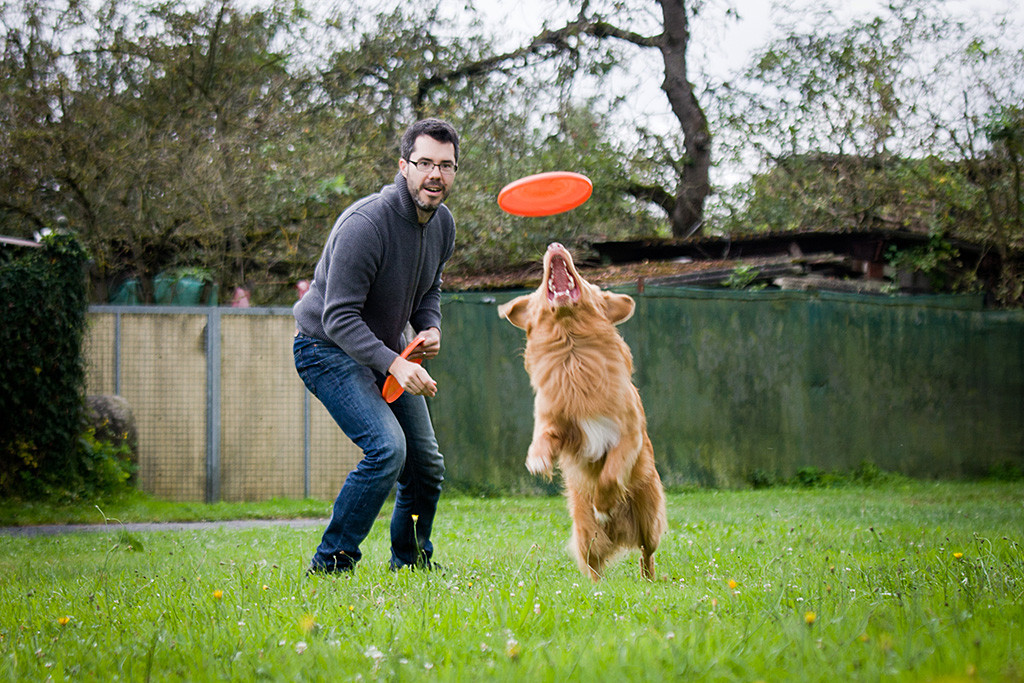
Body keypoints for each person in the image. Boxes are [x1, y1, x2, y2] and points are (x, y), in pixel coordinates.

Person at [293, 118, 460, 574]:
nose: (435, 175)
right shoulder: (366, 224)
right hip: (324, 349)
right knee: (387, 450)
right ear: (403, 166)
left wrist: (429, 327)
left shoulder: (442, 225)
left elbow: (430, 288)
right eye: (425, 163)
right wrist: (393, 364)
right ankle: (331, 563)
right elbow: (338, 316)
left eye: (445, 166)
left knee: (426, 463)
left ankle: (411, 562)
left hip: (385, 351)